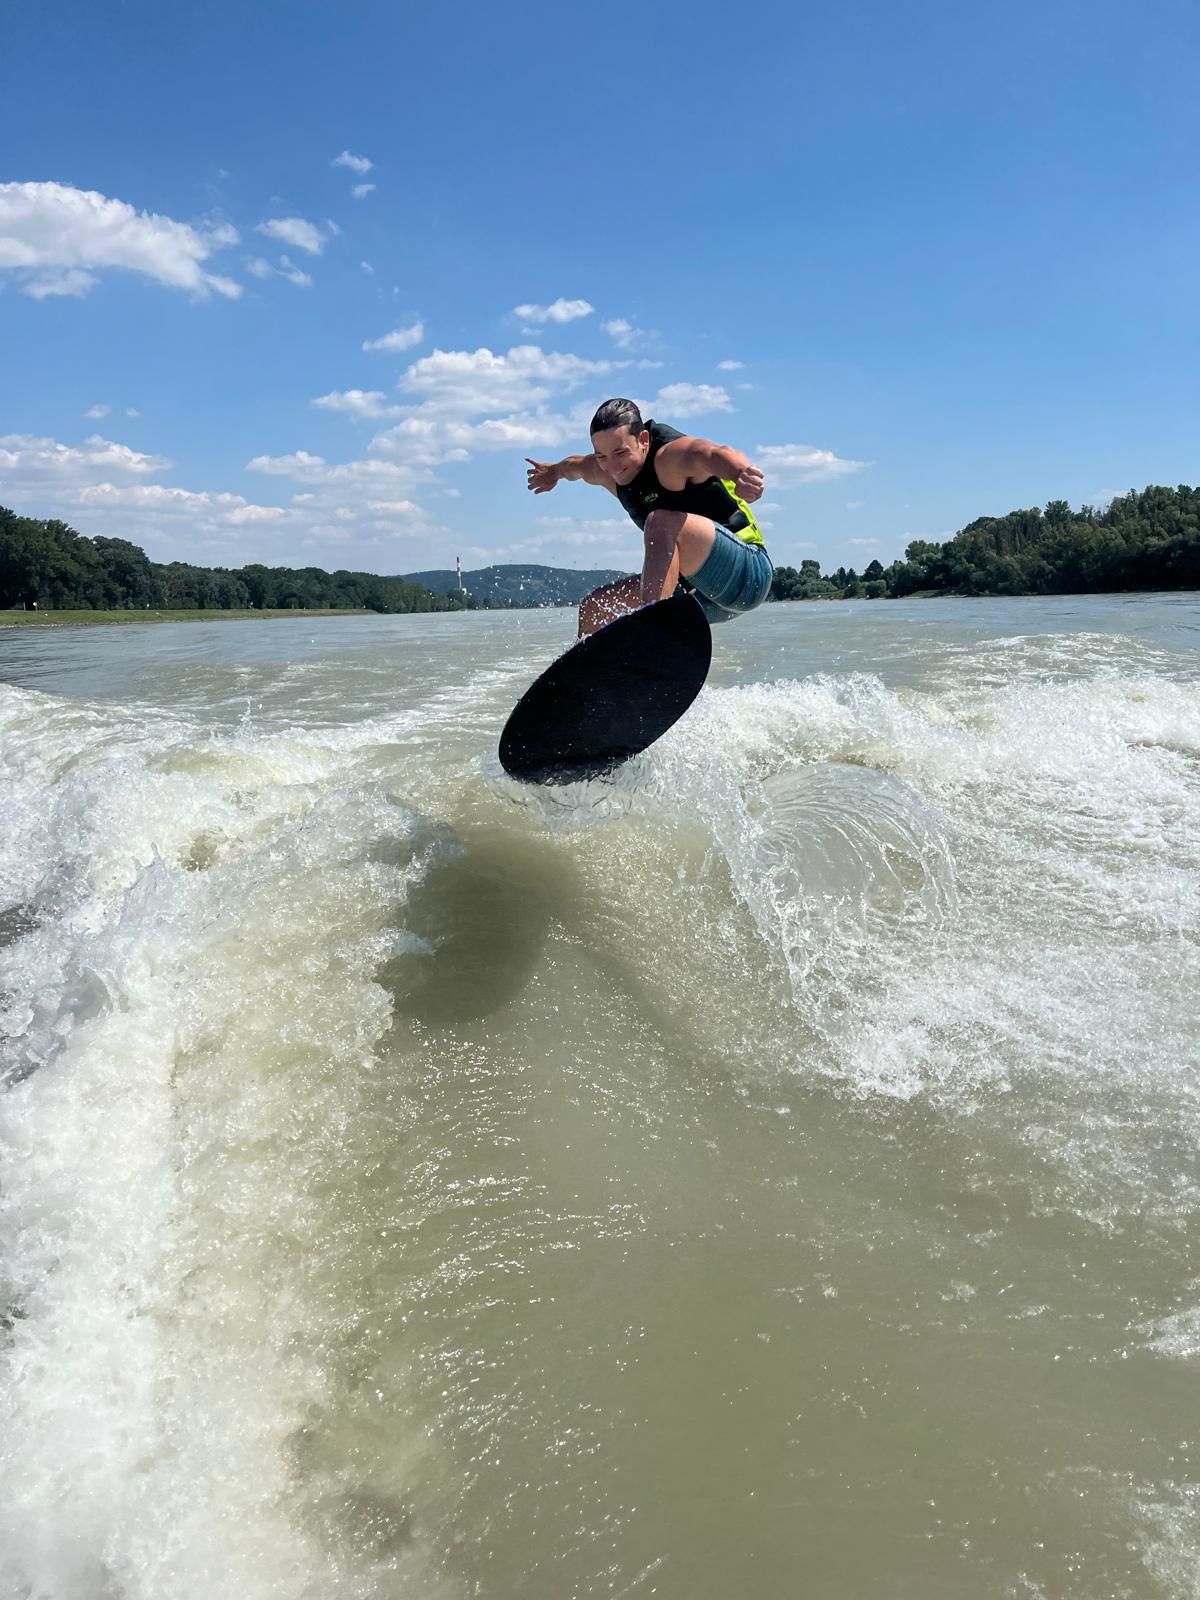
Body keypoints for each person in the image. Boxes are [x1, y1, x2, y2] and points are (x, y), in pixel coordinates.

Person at [525, 398, 773, 635]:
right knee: (595, 606)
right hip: (696, 597)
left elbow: (711, 453)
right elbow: (576, 465)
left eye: (621, 453)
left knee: (660, 521)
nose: (612, 466)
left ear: (643, 439)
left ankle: (652, 630)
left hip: (746, 577)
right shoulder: (606, 470)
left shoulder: (669, 458)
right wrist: (554, 472)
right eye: (602, 456)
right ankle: (591, 673)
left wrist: (741, 473)